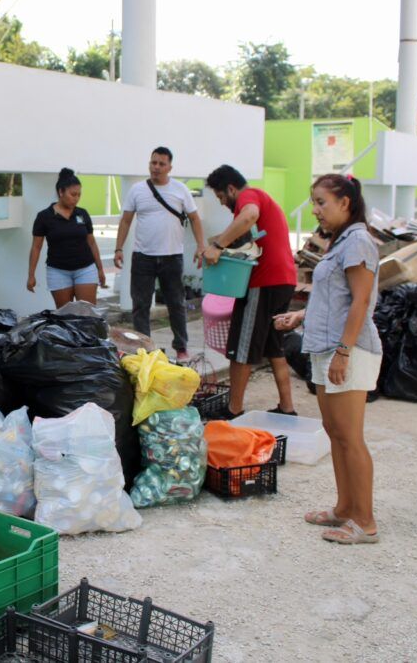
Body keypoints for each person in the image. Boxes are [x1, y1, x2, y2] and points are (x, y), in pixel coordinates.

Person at [274, 174, 381, 545]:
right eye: (314, 202)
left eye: (321, 202)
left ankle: (365, 522)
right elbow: (333, 299)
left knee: (351, 438)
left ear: (345, 203)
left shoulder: (358, 242)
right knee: (335, 434)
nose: (316, 210)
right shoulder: (341, 242)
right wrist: (299, 317)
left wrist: (343, 352)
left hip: (348, 351)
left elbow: (361, 301)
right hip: (326, 348)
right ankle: (344, 509)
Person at [204, 164, 297, 418]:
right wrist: (213, 244)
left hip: (264, 283)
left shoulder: (250, 196)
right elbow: (241, 236)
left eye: (222, 197)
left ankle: (233, 409)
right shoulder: (263, 200)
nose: (223, 204)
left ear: (232, 189)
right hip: (284, 281)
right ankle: (287, 408)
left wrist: (217, 245)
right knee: (273, 348)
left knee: (241, 348)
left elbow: (248, 217)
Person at [114, 147, 206, 362]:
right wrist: (118, 248)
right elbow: (126, 220)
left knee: (176, 304)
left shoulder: (180, 189)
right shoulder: (137, 190)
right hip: (143, 257)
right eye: (153, 163)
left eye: (161, 164)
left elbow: (194, 219)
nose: (156, 167)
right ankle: (144, 349)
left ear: (169, 167)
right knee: (140, 306)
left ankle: (181, 347)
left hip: (172, 257)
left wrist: (201, 246)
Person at [27, 168, 106, 306]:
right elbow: (36, 247)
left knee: (87, 313)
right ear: (61, 192)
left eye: (79, 195)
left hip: (85, 269)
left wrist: (100, 269)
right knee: (65, 316)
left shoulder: (82, 214)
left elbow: (92, 243)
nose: (76, 198)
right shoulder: (44, 217)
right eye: (73, 194)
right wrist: (31, 275)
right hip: (58, 272)